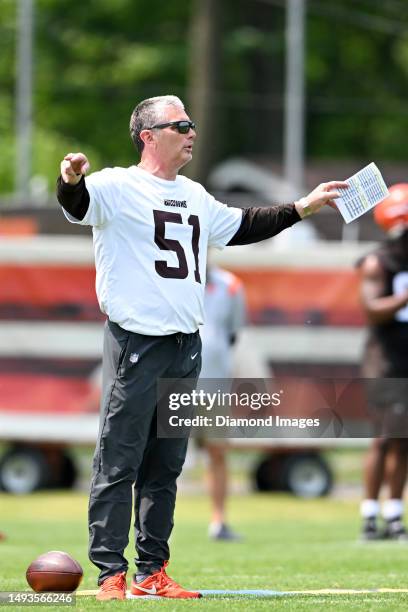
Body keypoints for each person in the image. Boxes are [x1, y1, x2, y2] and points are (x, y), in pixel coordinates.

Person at [56, 94, 347, 600]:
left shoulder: (193, 194)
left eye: (192, 123)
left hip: (186, 345)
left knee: (165, 466)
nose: (192, 131)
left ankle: (152, 571)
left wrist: (304, 205)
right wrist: (70, 179)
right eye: (181, 124)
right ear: (148, 135)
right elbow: (77, 205)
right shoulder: (117, 185)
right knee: (118, 461)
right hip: (136, 344)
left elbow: (244, 224)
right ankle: (110, 573)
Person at [358, 184, 408, 541]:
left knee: (403, 439)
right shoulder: (379, 261)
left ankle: (393, 514)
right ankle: (370, 514)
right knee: (383, 437)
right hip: (385, 361)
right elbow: (372, 310)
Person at [200, 264, 246, 541]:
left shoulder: (230, 284)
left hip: (214, 383)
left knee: (217, 452)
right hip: (171, 382)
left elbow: (232, 334)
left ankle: (218, 521)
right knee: (158, 456)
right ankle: (148, 525)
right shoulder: (166, 274)